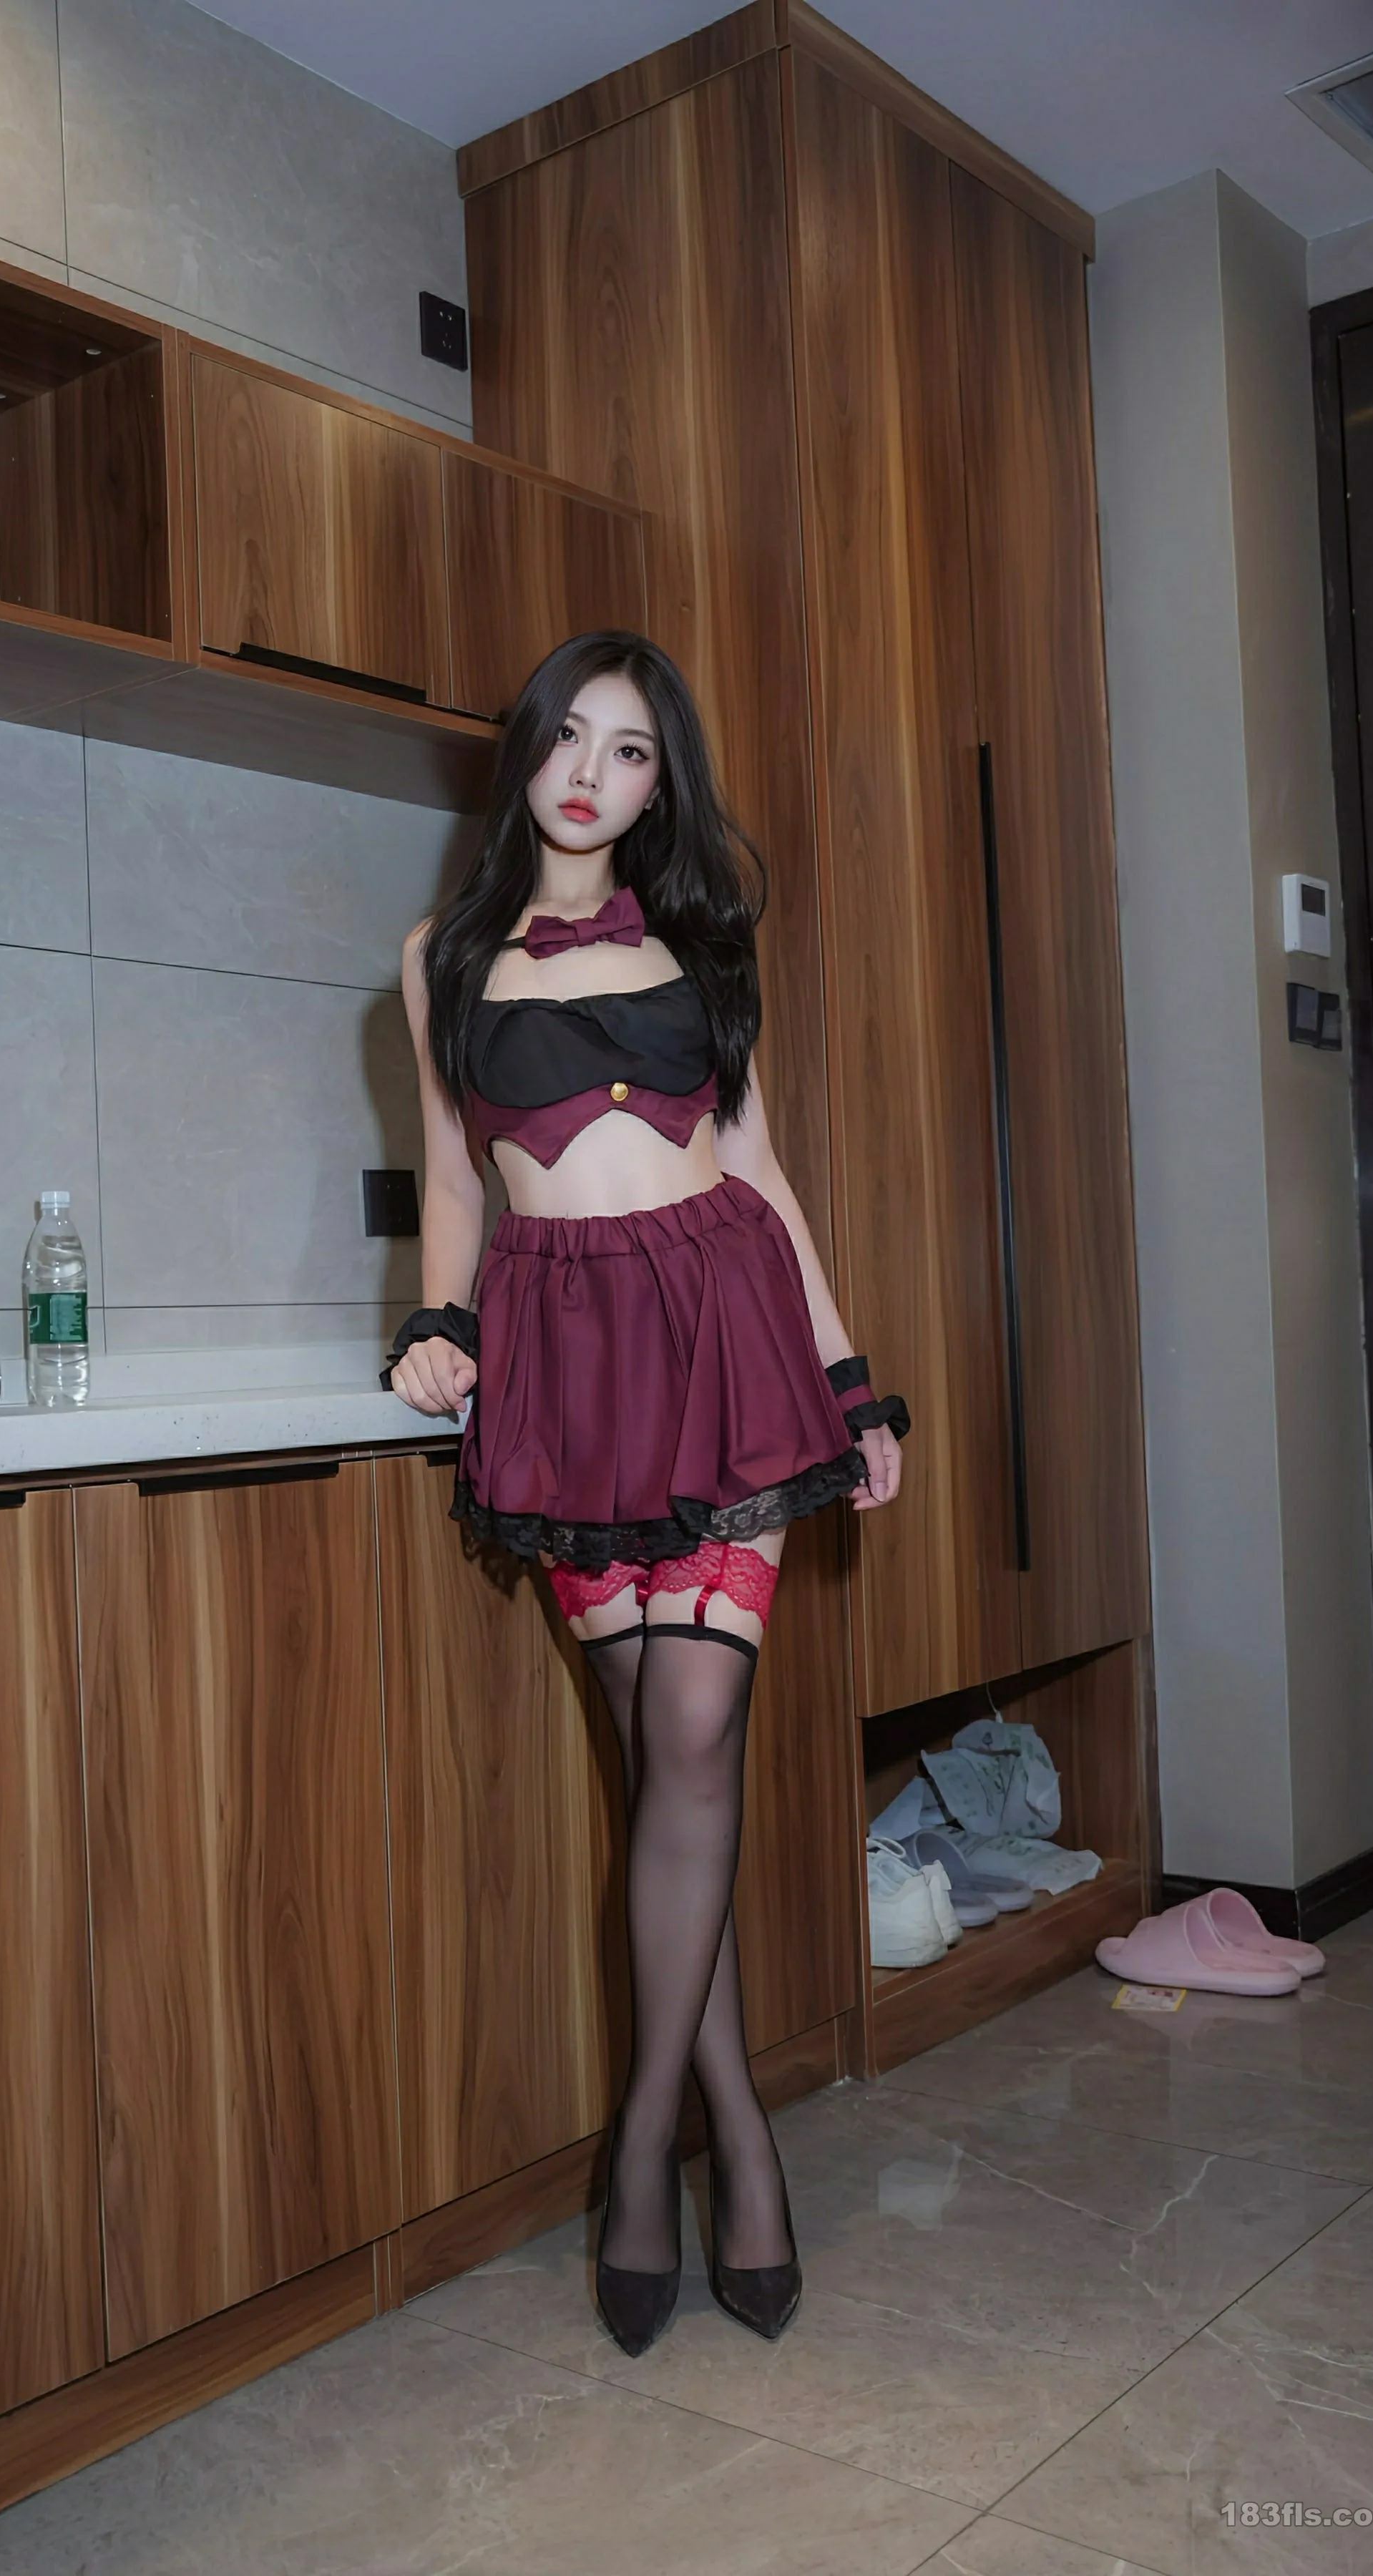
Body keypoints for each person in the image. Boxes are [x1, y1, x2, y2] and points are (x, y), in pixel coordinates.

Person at [382, 631, 908, 2356]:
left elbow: (759, 1169)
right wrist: (440, 1328)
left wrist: (848, 1378)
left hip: (726, 1339)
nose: (592, 775)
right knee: (667, 1775)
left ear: (659, 781)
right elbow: (455, 1181)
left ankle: (639, 2153)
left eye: (630, 750)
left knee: (691, 1737)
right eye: (569, 738)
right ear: (525, 752)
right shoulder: (442, 958)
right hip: (566, 1372)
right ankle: (738, 2138)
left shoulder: (707, 942)